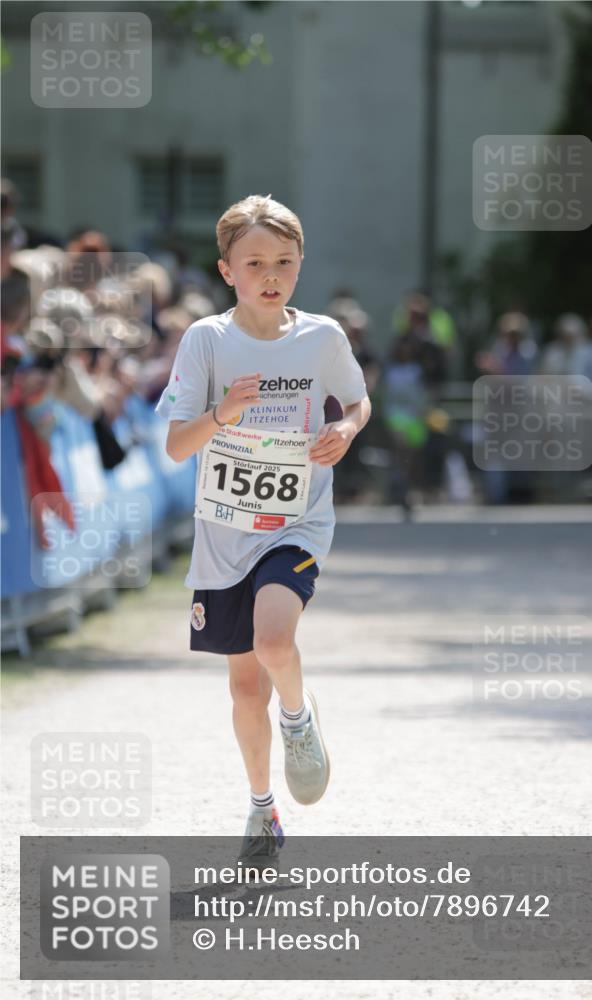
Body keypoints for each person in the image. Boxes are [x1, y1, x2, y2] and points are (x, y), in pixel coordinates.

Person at [155, 194, 371, 869]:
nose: (271, 274)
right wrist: (222, 413)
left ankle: (299, 722)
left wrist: (345, 427)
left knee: (274, 638)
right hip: (224, 535)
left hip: (296, 522)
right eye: (255, 263)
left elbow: (358, 401)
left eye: (283, 261)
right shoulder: (207, 341)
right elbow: (175, 447)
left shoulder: (323, 337)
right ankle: (260, 806)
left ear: (300, 264)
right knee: (243, 685)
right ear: (227, 271)